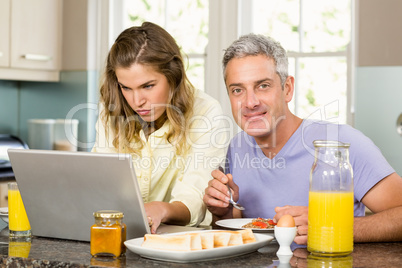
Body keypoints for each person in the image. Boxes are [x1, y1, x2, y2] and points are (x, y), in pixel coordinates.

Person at [203, 33, 402, 244]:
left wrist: (334, 226)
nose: (250, 102)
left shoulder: (342, 143)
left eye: (263, 86)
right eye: (237, 90)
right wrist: (222, 212)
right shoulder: (237, 147)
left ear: (287, 89)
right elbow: (239, 233)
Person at [92, 22, 228, 233]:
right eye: (126, 88)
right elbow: (100, 182)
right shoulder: (111, 113)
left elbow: (195, 196)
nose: (137, 101)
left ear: (173, 76)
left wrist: (162, 210)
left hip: (182, 244)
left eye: (148, 86)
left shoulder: (206, 112)